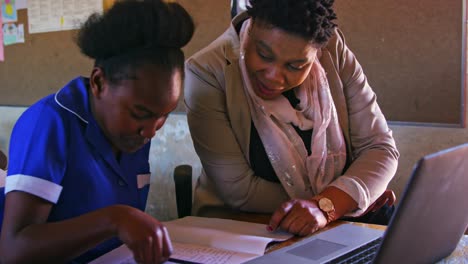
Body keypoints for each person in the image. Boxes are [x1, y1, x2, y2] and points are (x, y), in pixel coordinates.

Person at [0, 0, 194, 263]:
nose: (151, 131)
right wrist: (115, 219)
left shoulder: (133, 133)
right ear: (99, 82)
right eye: (140, 114)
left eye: (164, 115)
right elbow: (14, 251)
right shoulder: (48, 124)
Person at [184, 0, 399, 237]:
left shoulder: (331, 47)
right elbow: (240, 190)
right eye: (264, 55)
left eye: (296, 66)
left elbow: (380, 147)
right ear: (251, 29)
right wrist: (345, 199)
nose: (275, 77)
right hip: (243, 231)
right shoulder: (207, 70)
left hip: (325, 228)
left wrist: (335, 203)